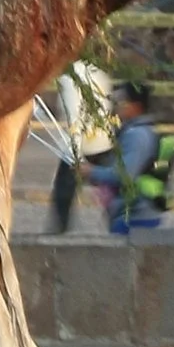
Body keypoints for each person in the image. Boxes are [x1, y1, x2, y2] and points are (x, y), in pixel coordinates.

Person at [34, 59, 120, 235]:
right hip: (103, 140)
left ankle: (59, 230)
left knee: (63, 192)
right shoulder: (98, 72)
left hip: (82, 145)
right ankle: (118, 223)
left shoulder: (69, 79)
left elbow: (74, 116)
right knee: (109, 187)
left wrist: (75, 153)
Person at [94, 79, 174, 235]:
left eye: (122, 101)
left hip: (134, 217)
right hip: (138, 213)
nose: (117, 106)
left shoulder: (137, 135)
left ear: (136, 106)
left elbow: (124, 175)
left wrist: (90, 171)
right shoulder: (137, 129)